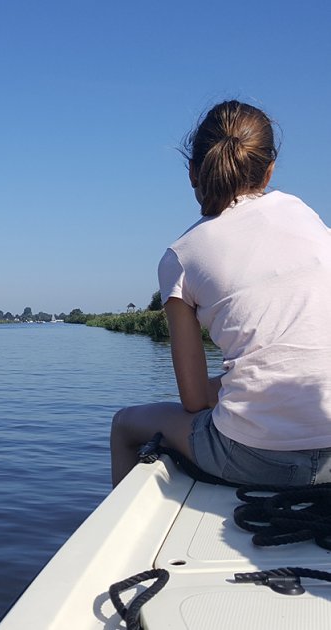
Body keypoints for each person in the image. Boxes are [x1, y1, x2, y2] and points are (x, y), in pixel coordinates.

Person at [111, 100, 331, 488]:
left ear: (194, 172)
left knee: (125, 424)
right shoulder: (304, 212)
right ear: (269, 170)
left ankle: (112, 544)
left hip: (253, 457)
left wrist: (231, 385)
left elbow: (193, 400)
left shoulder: (180, 256)